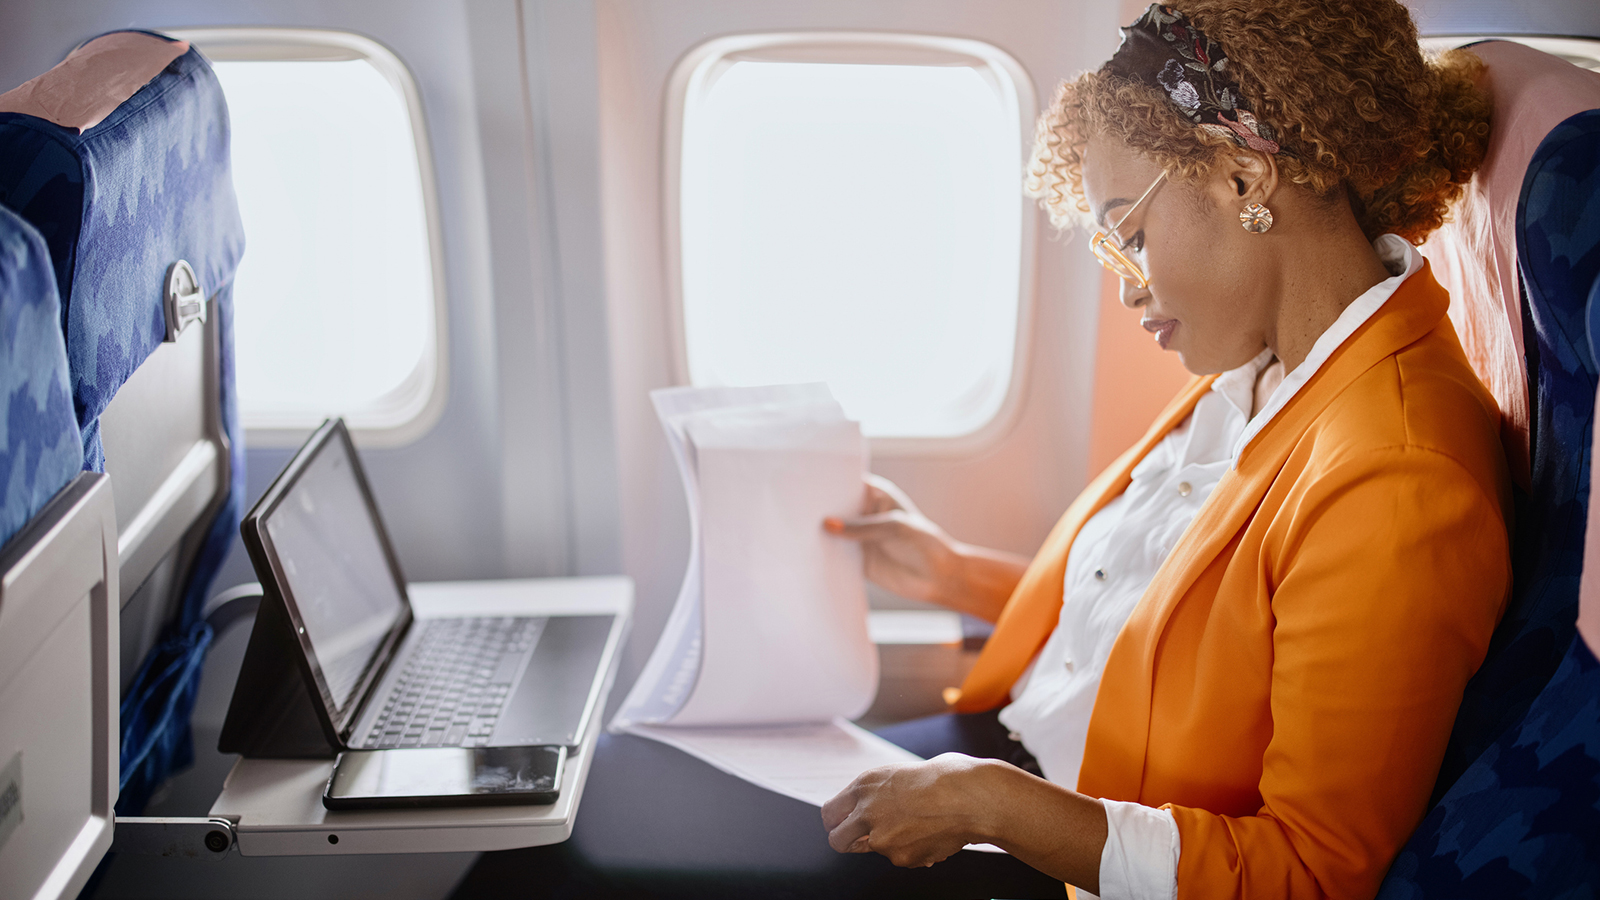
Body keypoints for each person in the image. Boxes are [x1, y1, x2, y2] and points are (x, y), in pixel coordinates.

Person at [821, 2, 1513, 898]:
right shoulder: (1269, 362)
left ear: (1243, 177)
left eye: (1132, 236)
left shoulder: (1397, 479)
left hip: (1083, 844)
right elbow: (1166, 628)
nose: (1126, 288)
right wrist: (953, 575)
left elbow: (1311, 872)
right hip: (1013, 754)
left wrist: (993, 806)